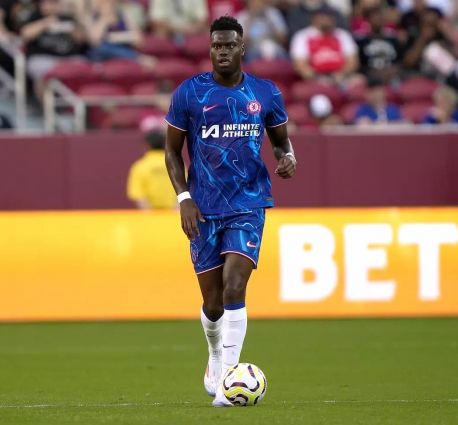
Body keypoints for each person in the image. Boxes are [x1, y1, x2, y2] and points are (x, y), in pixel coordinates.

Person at [163, 16, 296, 407]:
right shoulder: (190, 94)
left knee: (236, 285)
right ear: (210, 48)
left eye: (229, 45)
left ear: (242, 48)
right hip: (203, 208)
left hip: (248, 204)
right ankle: (216, 355)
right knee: (213, 302)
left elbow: (282, 144)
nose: (222, 51)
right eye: (216, 45)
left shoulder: (265, 93)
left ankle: (227, 386)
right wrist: (183, 198)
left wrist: (288, 159)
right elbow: (171, 151)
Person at [20, 0, 86, 91]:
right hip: (42, 59)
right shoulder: (36, 16)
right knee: (45, 74)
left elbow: (82, 40)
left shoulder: (67, 17)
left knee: (85, 67)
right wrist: (45, 23)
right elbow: (25, 35)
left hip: (68, 58)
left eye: (52, 3)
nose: (47, 6)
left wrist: (73, 28)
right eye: (44, 3)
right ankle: (47, 104)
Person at [290, 4, 359, 83]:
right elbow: (300, 64)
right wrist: (318, 78)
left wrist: (342, 74)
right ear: (314, 18)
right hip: (315, 79)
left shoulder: (342, 35)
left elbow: (352, 61)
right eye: (322, 16)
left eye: (329, 16)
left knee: (359, 83)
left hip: (342, 77)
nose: (326, 19)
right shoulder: (302, 36)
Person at [127, 130, 176, 209]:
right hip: (174, 216)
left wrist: (151, 217)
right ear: (165, 145)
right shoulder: (177, 165)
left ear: (147, 145)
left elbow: (139, 197)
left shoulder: (139, 167)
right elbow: (185, 191)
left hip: (150, 218)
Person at [354, 5, 402, 83]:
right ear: (368, 19)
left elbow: (400, 60)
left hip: (392, 75)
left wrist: (393, 70)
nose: (378, 19)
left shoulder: (393, 38)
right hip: (370, 76)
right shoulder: (361, 40)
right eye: (375, 16)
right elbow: (360, 64)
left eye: (380, 16)